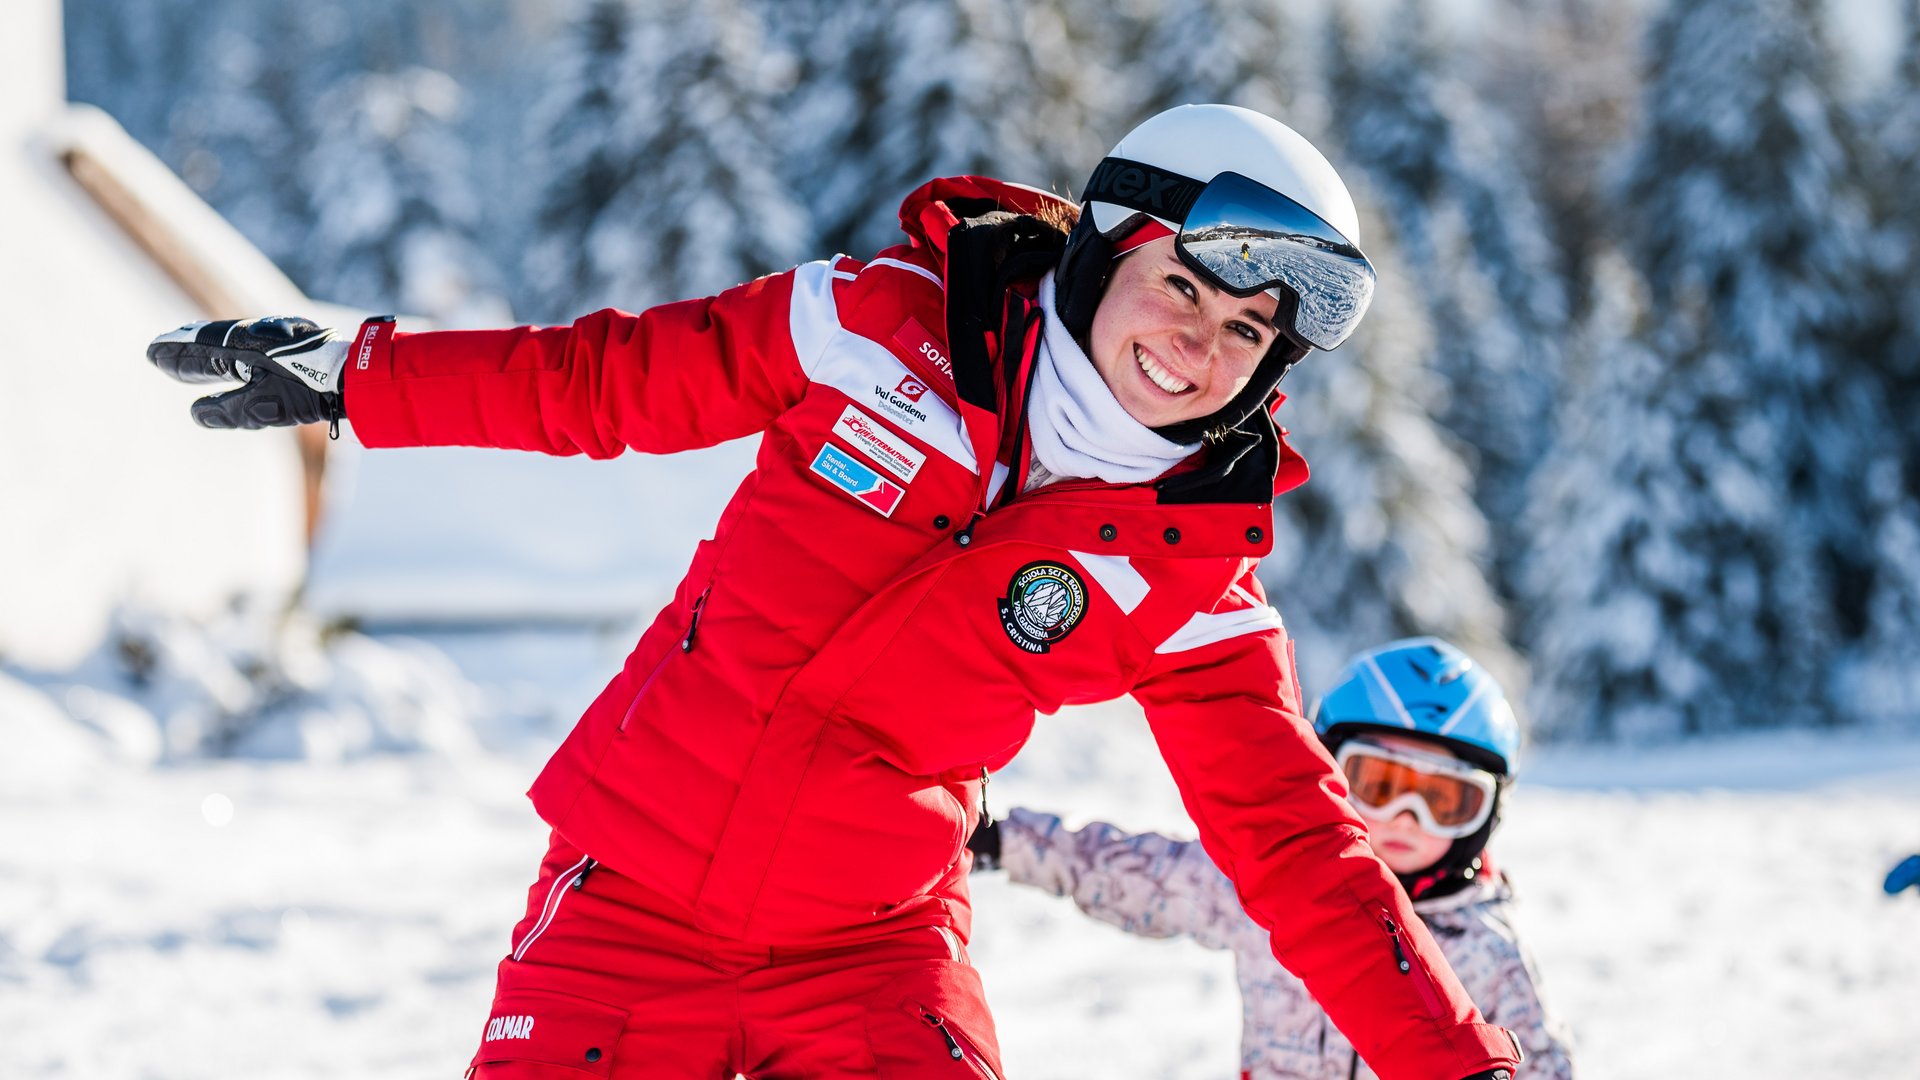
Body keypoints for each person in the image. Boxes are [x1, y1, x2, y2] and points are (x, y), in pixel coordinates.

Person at [145, 105, 1521, 1080]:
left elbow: (1307, 862)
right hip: (627, 907)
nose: (1201, 350)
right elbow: (600, 381)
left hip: (872, 959)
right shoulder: (869, 327)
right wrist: (367, 375)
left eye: (1244, 335)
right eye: (1184, 289)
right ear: (1109, 241)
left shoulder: (1187, 583)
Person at [974, 638, 1575, 1079]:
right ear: (1328, 773)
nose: (1403, 818)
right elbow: (1139, 875)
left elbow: (1547, 1066)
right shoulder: (1275, 892)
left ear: (1484, 817)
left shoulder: (1488, 953)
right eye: (1380, 784)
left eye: (1443, 800)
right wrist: (1008, 841)